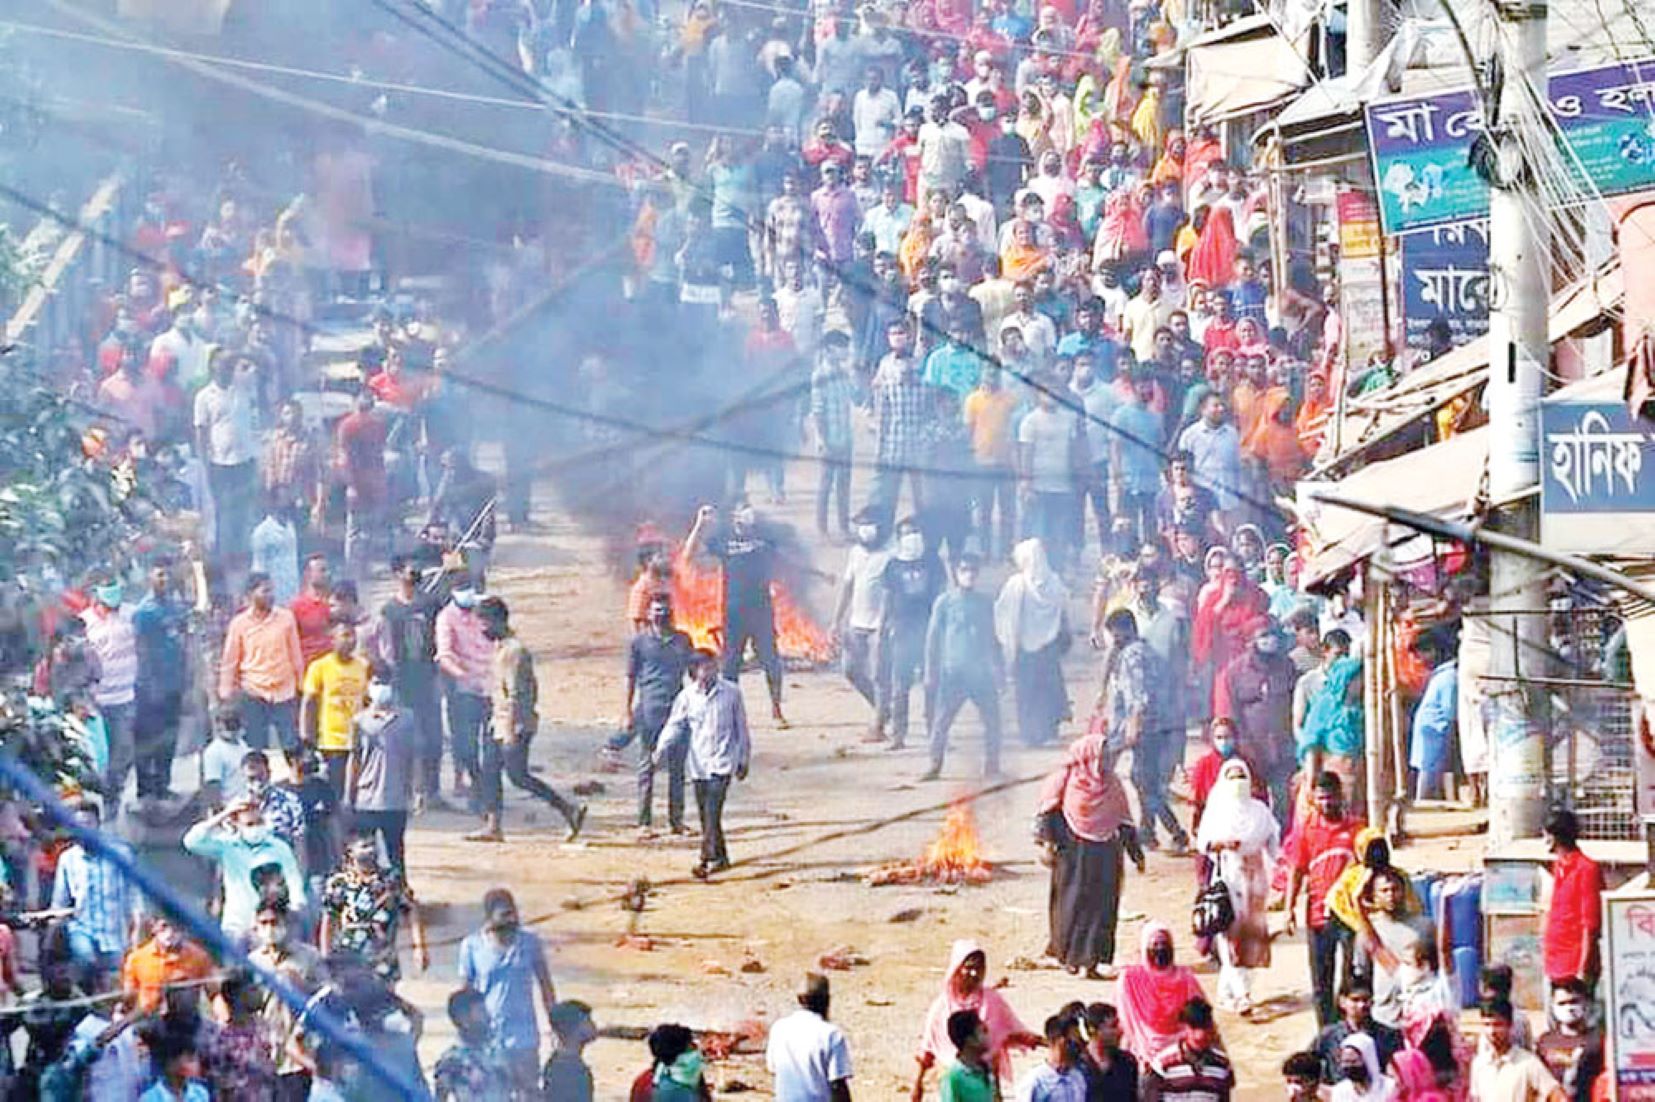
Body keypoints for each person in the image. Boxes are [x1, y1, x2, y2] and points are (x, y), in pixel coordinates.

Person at [468, 596, 587, 842]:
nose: (481, 629)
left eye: (484, 623)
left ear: (497, 621)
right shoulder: (501, 647)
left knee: (518, 776)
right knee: (489, 772)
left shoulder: (514, 652)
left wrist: (511, 730)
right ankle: (493, 826)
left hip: (515, 724)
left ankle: (568, 809)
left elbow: (516, 694)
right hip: (498, 723)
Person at [1036, 730, 1144, 978]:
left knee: (1102, 907)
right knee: (1072, 905)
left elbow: (1124, 820)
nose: (1106, 760)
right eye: (1102, 755)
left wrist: (1135, 853)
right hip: (1072, 854)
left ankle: (1093, 960)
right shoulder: (1064, 780)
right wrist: (1046, 844)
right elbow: (1046, 815)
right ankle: (1069, 956)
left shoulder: (1112, 783)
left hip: (1106, 853)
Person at [684, 502, 789, 725]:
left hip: (761, 611)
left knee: (771, 661)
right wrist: (700, 525)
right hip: (734, 613)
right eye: (739, 512)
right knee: (731, 665)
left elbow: (783, 557)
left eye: (747, 512)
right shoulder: (724, 542)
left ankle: (777, 709)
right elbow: (689, 555)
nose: (743, 516)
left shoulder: (765, 540)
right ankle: (729, 713)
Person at [1098, 608, 1189, 854]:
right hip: (1158, 727)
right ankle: (1147, 833)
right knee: (1145, 781)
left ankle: (1177, 833)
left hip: (1145, 728)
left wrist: (1133, 729)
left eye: (1115, 633)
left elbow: (1140, 697)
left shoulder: (1132, 656)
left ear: (1127, 629)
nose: (1114, 639)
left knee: (1144, 783)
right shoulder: (1146, 651)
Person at [655, 650, 751, 879]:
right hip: (699, 764)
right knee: (706, 815)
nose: (709, 671)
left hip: (723, 761)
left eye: (712, 666)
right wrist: (661, 748)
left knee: (712, 810)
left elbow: (742, 729)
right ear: (694, 671)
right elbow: (675, 725)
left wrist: (743, 759)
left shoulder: (731, 693)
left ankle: (705, 859)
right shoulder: (687, 697)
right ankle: (721, 856)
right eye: (704, 667)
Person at [1195, 757, 1280, 1017]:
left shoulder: (1259, 810)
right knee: (1230, 936)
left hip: (1255, 879)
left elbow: (1272, 839)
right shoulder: (1217, 810)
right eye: (1231, 777)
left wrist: (1276, 873)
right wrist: (1222, 844)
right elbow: (1204, 843)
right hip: (1229, 877)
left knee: (1251, 938)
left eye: (1241, 777)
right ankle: (1242, 993)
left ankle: (1228, 991)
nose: (1237, 783)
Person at [458, 888, 559, 1096]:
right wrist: (466, 1032)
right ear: (489, 917)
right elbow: (465, 997)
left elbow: (545, 985)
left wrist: (555, 1025)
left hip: (525, 1036)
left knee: (529, 1092)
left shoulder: (529, 943)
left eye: (513, 913)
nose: (511, 919)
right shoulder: (472, 946)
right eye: (504, 915)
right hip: (488, 1037)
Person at [914, 941, 1040, 1100]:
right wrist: (917, 1085)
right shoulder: (942, 1007)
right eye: (969, 967)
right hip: (954, 1078)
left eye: (979, 968)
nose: (974, 973)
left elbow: (1011, 1032)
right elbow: (927, 1048)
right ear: (957, 968)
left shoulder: (992, 1001)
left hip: (986, 1077)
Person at [1286, 771, 1363, 1027]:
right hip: (1318, 914)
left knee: (1353, 972)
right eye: (1321, 798)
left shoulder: (1357, 829)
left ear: (1340, 796)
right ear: (1313, 799)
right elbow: (1296, 870)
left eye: (1331, 797)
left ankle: (1347, 1025)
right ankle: (1326, 1033)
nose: (1326, 803)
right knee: (1322, 979)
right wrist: (1289, 909)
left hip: (1351, 915)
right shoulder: (1306, 830)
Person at [371, 556, 445, 814]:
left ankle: (432, 792)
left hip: (428, 677)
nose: (414, 571)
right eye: (407, 568)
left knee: (434, 739)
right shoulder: (389, 611)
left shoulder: (431, 605)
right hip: (402, 681)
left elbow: (441, 639)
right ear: (397, 573)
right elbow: (385, 649)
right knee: (406, 740)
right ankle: (407, 793)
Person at [618, 594, 696, 835]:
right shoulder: (639, 642)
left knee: (677, 769)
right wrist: (626, 711)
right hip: (649, 711)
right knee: (647, 766)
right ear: (649, 614)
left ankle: (676, 822)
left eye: (664, 610)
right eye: (656, 611)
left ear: (671, 612)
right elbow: (630, 677)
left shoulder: (683, 640)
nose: (660, 615)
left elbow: (694, 676)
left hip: (678, 712)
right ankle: (644, 823)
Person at [923, 553, 1005, 779]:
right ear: (956, 573)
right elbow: (933, 639)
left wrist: (1000, 672)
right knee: (942, 721)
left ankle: (992, 766)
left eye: (973, 570)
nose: (969, 574)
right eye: (964, 570)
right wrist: (930, 671)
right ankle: (934, 765)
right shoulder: (945, 602)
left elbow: (993, 639)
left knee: (993, 721)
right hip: (953, 672)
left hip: (981, 673)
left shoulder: (986, 602)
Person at [51, 798, 144, 991]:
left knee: (116, 986)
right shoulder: (68, 859)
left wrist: (137, 926)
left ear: (98, 825)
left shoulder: (121, 854)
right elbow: (60, 901)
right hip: (82, 929)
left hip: (113, 933)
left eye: (88, 824)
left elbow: (134, 895)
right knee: (85, 960)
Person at [182, 799, 306, 937]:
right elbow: (191, 842)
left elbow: (293, 877)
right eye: (250, 824)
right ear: (237, 825)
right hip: (237, 924)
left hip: (269, 923)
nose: (256, 828)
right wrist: (225, 813)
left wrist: (296, 905)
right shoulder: (226, 846)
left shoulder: (278, 847)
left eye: (259, 822)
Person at [320, 831, 428, 985]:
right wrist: (326, 956)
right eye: (364, 846)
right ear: (350, 851)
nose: (370, 850)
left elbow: (411, 910)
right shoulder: (338, 883)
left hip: (383, 956)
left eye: (373, 845)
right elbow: (329, 920)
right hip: (348, 956)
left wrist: (419, 947)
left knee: (384, 1001)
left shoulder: (391, 878)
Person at [995, 539, 1070, 747]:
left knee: (1027, 691)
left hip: (1024, 648)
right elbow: (1063, 608)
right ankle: (1049, 731)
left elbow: (1004, 614)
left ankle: (1030, 733)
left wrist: (1009, 644)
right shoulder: (1054, 582)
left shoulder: (1017, 584)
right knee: (1048, 688)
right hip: (1049, 646)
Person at [219, 574, 304, 754]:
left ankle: (297, 780)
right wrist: (226, 693)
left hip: (284, 692)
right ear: (250, 595)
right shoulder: (239, 624)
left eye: (272, 590)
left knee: (292, 747)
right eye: (265, 591)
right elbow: (230, 661)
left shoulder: (286, 618)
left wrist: (301, 686)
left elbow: (296, 655)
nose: (270, 595)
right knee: (256, 748)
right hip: (253, 692)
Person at [879, 519, 945, 749]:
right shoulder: (892, 566)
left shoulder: (933, 562)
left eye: (915, 531)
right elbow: (887, 599)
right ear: (899, 539)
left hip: (929, 631)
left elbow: (941, 594)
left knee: (932, 685)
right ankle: (898, 736)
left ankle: (934, 734)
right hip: (902, 632)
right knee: (900, 687)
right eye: (907, 533)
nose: (912, 537)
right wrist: (883, 629)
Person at [345, 673, 416, 871]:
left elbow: (413, 756)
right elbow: (355, 758)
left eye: (386, 683)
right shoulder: (359, 721)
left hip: (395, 797)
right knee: (364, 851)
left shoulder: (406, 718)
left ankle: (400, 894)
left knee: (396, 851)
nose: (381, 688)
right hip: (366, 797)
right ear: (368, 687)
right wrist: (348, 796)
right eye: (377, 683)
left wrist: (415, 790)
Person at [132, 560, 190, 801]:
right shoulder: (145, 612)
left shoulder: (176, 608)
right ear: (149, 577)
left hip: (173, 684)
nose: (164, 580)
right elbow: (141, 649)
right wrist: (151, 685)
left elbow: (183, 642)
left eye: (167, 574)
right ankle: (145, 788)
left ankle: (163, 785)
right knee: (148, 738)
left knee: (169, 738)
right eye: (159, 575)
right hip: (150, 687)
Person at [833, 511, 893, 736]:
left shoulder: (889, 557)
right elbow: (847, 587)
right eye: (861, 524)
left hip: (878, 627)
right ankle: (882, 709)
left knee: (879, 675)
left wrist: (883, 627)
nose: (864, 529)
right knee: (850, 670)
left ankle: (877, 726)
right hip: (856, 623)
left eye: (869, 524)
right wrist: (836, 620)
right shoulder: (855, 553)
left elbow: (889, 595)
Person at [81, 580, 138, 804]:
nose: (112, 610)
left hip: (126, 695)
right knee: (101, 752)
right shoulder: (85, 622)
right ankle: (107, 795)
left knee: (123, 747)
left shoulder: (132, 614)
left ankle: (117, 790)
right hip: (97, 699)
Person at [1116, 924, 1207, 1063]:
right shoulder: (1130, 979)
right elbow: (1125, 1018)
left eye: (1164, 943)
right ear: (1145, 948)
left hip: (1181, 1048)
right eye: (1155, 944)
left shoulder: (1185, 977)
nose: (1160, 948)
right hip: (1141, 1047)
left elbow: (1199, 1014)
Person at [436, 581, 492, 805]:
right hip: (464, 690)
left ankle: (487, 795)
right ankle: (475, 783)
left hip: (492, 688)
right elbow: (444, 655)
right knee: (466, 746)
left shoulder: (486, 609)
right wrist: (463, 676)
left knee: (492, 747)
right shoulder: (446, 618)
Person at [302, 620, 371, 799]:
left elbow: (368, 701)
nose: (351, 640)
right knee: (336, 792)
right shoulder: (320, 667)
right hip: (332, 742)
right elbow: (308, 703)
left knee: (357, 792)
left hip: (358, 741)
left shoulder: (363, 666)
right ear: (332, 639)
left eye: (353, 635)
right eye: (345, 636)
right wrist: (307, 740)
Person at [765, 972, 854, 1101]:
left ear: (799, 1000)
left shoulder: (779, 1028)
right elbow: (837, 1085)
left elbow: (773, 1069)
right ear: (826, 1001)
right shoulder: (831, 1035)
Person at [1543, 807, 1604, 990]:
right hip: (1555, 961)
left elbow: (1590, 924)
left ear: (1555, 837)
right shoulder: (1559, 867)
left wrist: (1583, 968)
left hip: (1574, 964)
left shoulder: (1586, 869)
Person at [1471, 998, 1566, 1102]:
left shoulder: (1528, 1063)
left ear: (1510, 1026)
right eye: (1487, 1025)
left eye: (1498, 1025)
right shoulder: (1479, 1064)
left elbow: (1557, 1096)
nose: (1492, 1031)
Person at [1140, 998, 1233, 1102]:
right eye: (1194, 1028)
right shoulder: (1162, 1064)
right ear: (1183, 1027)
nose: (1199, 1035)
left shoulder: (1222, 1065)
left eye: (1204, 1028)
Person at [1315, 979, 1404, 1085]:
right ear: (1342, 1002)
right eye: (1355, 1000)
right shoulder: (1329, 1036)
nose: (1361, 1005)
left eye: (1366, 1000)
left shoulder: (1389, 1036)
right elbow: (1310, 1064)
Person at [433, 989, 513, 1102]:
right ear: (464, 1019)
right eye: (481, 1012)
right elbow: (440, 1097)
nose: (488, 1018)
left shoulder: (498, 1050)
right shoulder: (452, 1059)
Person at [1536, 979, 1603, 1102]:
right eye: (1562, 1003)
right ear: (1553, 1005)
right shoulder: (1545, 1042)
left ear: (1585, 1003)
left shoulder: (1598, 1041)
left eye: (1574, 1001)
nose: (1569, 1008)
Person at [1408, 635, 1458, 801]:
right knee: (1428, 775)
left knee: (1429, 778)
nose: (1420, 660)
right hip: (1431, 734)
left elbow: (1449, 713)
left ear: (1433, 651)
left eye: (1421, 654)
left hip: (1437, 733)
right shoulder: (1442, 676)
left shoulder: (1448, 677)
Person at [630, 1023, 712, 1101]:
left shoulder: (692, 1078)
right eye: (691, 1048)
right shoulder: (660, 1089)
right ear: (679, 1060)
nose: (697, 1052)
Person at [1014, 1014, 1087, 1102]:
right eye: (1072, 1043)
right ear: (1060, 1042)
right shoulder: (1036, 1082)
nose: (1077, 1048)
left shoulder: (1078, 1078)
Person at [543, 1000, 599, 1102]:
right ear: (577, 1028)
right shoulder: (574, 1070)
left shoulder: (557, 1064)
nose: (594, 1025)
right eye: (588, 1020)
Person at [1081, 1003, 1138, 1100]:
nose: (1120, 1031)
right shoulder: (1078, 1066)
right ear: (1093, 1030)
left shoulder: (1127, 1063)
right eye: (1113, 1026)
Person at [937, 1010, 996, 1102]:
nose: (988, 1035)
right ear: (970, 1040)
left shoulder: (985, 1070)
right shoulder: (953, 1078)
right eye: (983, 1031)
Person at [1329, 1033, 1393, 1102]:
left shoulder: (1389, 1087)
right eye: (1346, 1061)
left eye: (1354, 1061)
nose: (1350, 1066)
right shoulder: (1340, 1091)